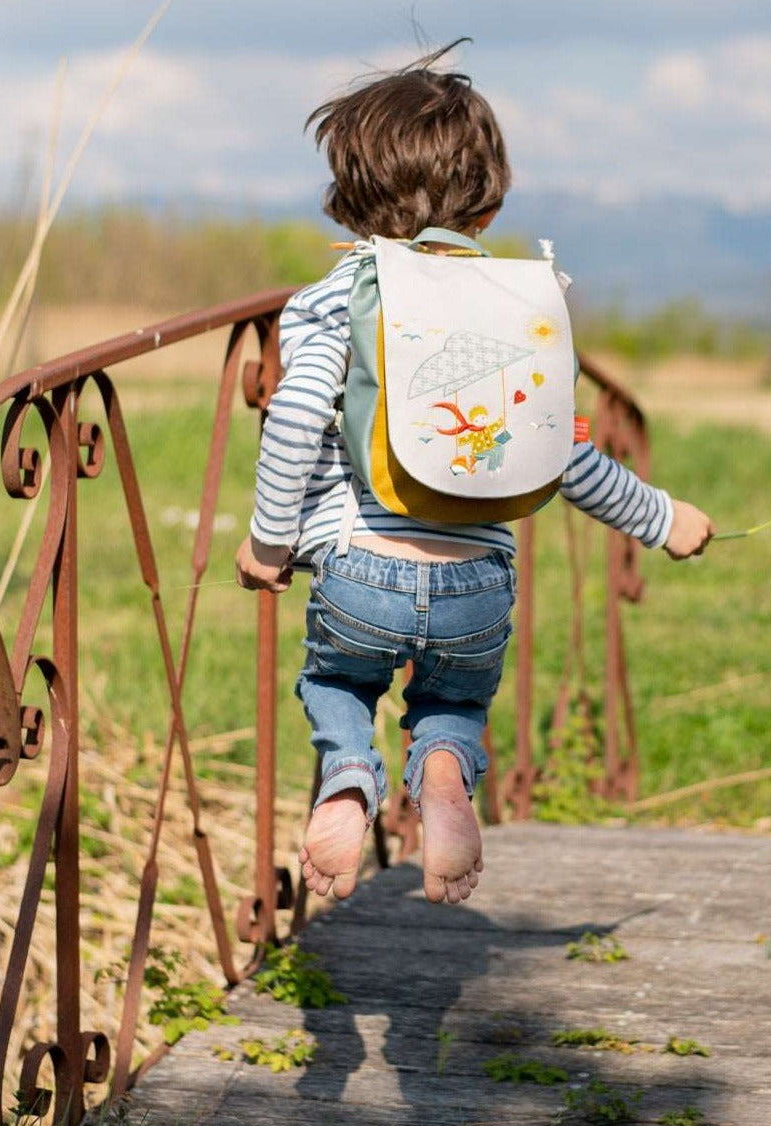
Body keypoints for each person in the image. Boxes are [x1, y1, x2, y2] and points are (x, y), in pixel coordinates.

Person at [235, 44, 713, 907]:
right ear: (486, 206)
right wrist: (661, 516)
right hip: (477, 589)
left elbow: (301, 411)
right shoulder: (514, 308)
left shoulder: (334, 295)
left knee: (336, 681)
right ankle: (446, 771)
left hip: (360, 568)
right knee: (450, 704)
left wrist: (269, 540)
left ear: (346, 198)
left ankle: (347, 776)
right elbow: (558, 454)